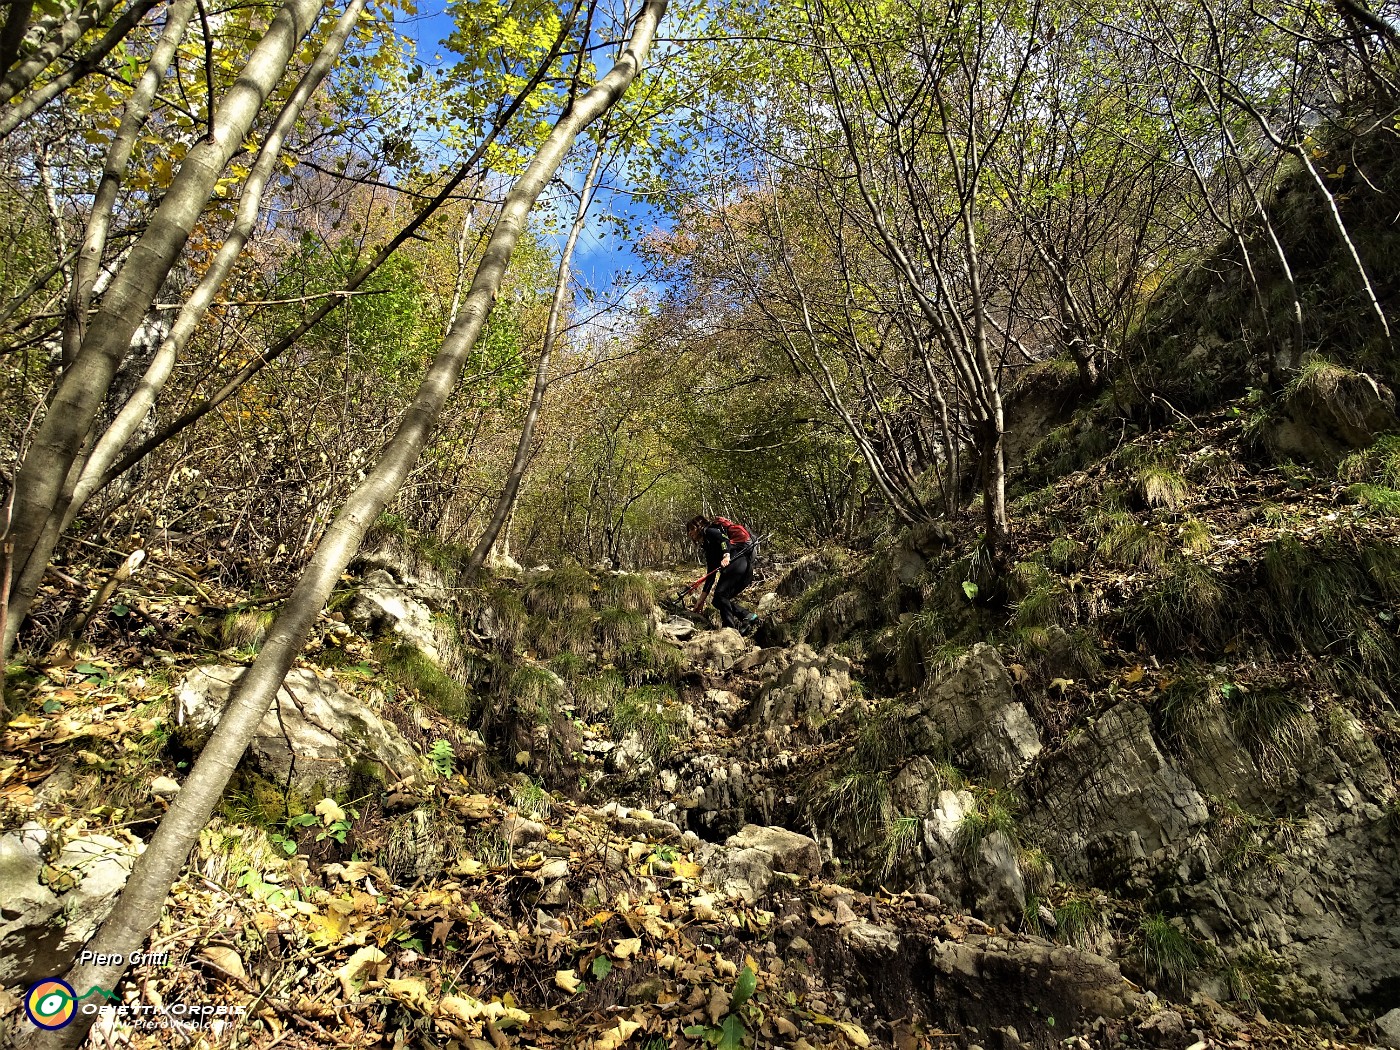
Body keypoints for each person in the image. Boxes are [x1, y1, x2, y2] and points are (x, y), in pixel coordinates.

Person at [685, 514, 758, 634]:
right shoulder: (709, 547)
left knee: (720, 595)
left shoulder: (709, 531)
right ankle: (748, 616)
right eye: (688, 531)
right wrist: (701, 600)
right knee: (718, 600)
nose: (689, 533)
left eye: (691, 529)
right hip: (744, 570)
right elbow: (710, 576)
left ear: (699, 526)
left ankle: (729, 629)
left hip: (737, 564)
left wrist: (726, 555)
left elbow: (724, 540)